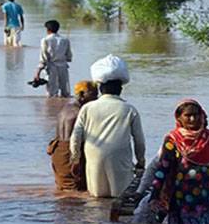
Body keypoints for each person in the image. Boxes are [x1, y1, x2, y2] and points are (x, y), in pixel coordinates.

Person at [70, 57, 146, 198]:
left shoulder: (87, 108)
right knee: (119, 198)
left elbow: (76, 137)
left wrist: (75, 159)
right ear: (120, 89)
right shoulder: (129, 109)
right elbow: (139, 141)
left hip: (94, 157)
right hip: (120, 160)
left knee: (96, 199)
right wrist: (140, 162)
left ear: (100, 89)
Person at [47, 80, 98, 191]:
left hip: (58, 151)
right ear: (81, 95)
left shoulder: (65, 108)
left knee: (64, 189)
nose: (96, 99)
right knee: (76, 190)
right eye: (93, 95)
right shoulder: (80, 112)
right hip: (70, 152)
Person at [34, 20, 72, 98]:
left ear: (48, 30)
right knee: (65, 93)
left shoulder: (45, 40)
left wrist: (37, 72)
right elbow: (69, 57)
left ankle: (51, 108)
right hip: (63, 67)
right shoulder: (65, 40)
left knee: (51, 94)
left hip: (51, 68)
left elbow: (43, 58)